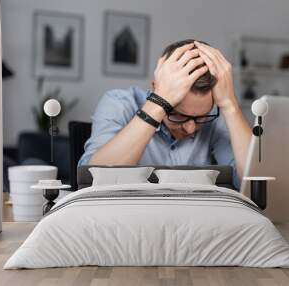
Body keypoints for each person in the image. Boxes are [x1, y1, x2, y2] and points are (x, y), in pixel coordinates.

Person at [78, 39, 251, 189]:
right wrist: (159, 102)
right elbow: (92, 180)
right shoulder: (119, 103)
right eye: (179, 115)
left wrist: (230, 105)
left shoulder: (216, 114)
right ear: (156, 88)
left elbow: (252, 184)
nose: (191, 129)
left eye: (200, 118)